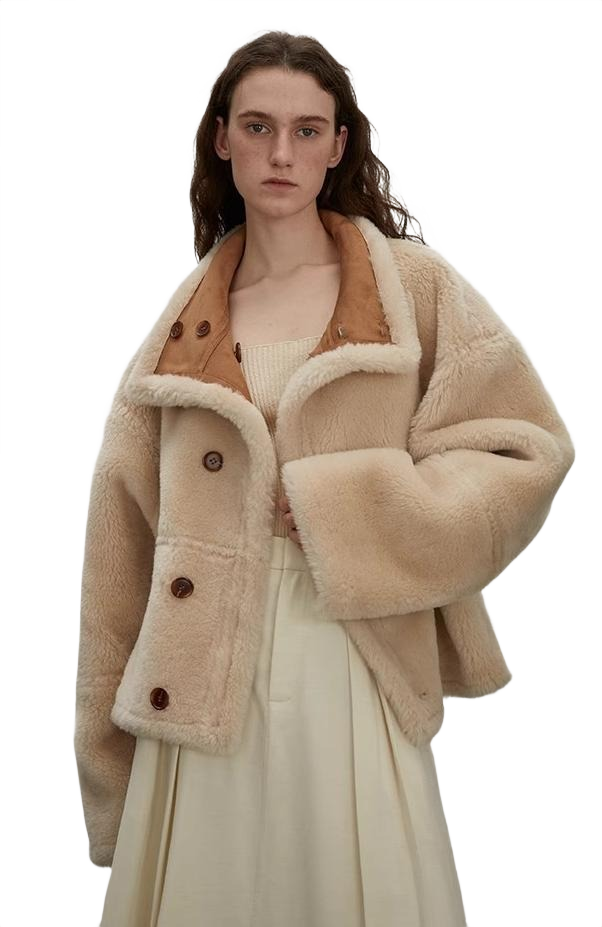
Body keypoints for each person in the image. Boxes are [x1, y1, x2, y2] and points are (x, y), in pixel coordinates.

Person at [72, 26, 576, 927]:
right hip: (203, 670)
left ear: (339, 145)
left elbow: (525, 447)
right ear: (221, 139)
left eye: (307, 130)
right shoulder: (180, 330)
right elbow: (119, 553)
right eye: (258, 126)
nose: (281, 153)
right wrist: (107, 764)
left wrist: (357, 511)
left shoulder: (411, 289)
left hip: (349, 648)